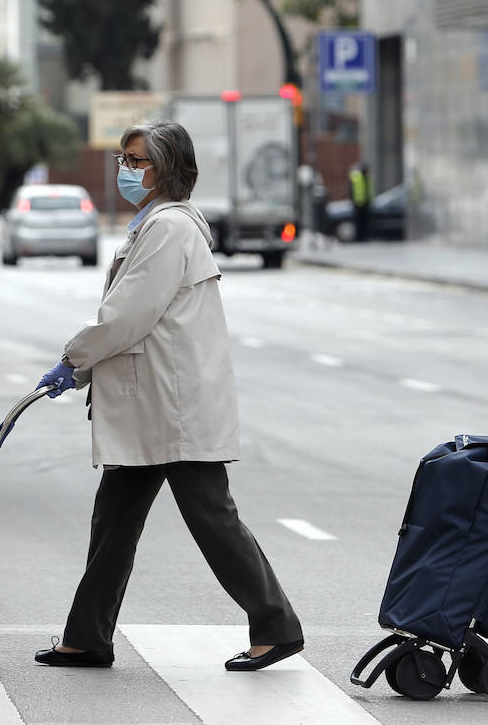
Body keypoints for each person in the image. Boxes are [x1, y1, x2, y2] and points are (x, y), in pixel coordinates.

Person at [33, 119, 304, 672]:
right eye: (124, 160)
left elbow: (128, 313)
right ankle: (86, 638)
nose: (125, 171)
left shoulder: (169, 230)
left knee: (211, 517)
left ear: (169, 170)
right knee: (114, 521)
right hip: (153, 405)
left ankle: (276, 626)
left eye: (138, 162)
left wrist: (74, 359)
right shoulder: (157, 225)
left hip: (172, 408)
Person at [348, 161, 374, 241]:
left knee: (365, 222)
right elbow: (351, 190)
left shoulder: (367, 178)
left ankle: (364, 237)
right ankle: (359, 237)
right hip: (358, 204)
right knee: (359, 222)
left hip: (365, 204)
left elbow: (369, 190)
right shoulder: (356, 177)